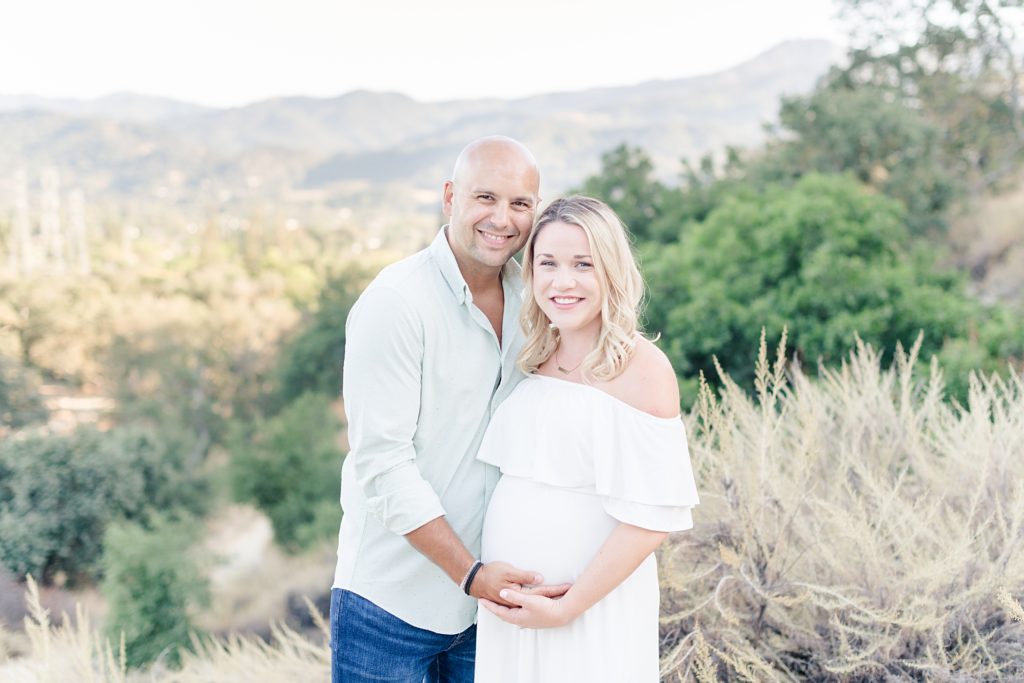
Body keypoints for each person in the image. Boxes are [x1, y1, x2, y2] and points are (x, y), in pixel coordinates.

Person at [329, 136, 569, 683]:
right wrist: (471, 574)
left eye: (520, 204)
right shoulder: (395, 304)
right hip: (390, 606)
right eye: (485, 197)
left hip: (493, 608)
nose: (502, 219)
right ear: (449, 197)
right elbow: (383, 465)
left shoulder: (539, 299)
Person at [474, 196, 700, 681]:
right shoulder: (532, 355)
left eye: (583, 264)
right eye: (547, 264)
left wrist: (568, 607)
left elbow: (651, 517)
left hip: (589, 611)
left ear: (612, 272)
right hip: (510, 617)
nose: (563, 281)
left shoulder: (642, 369)